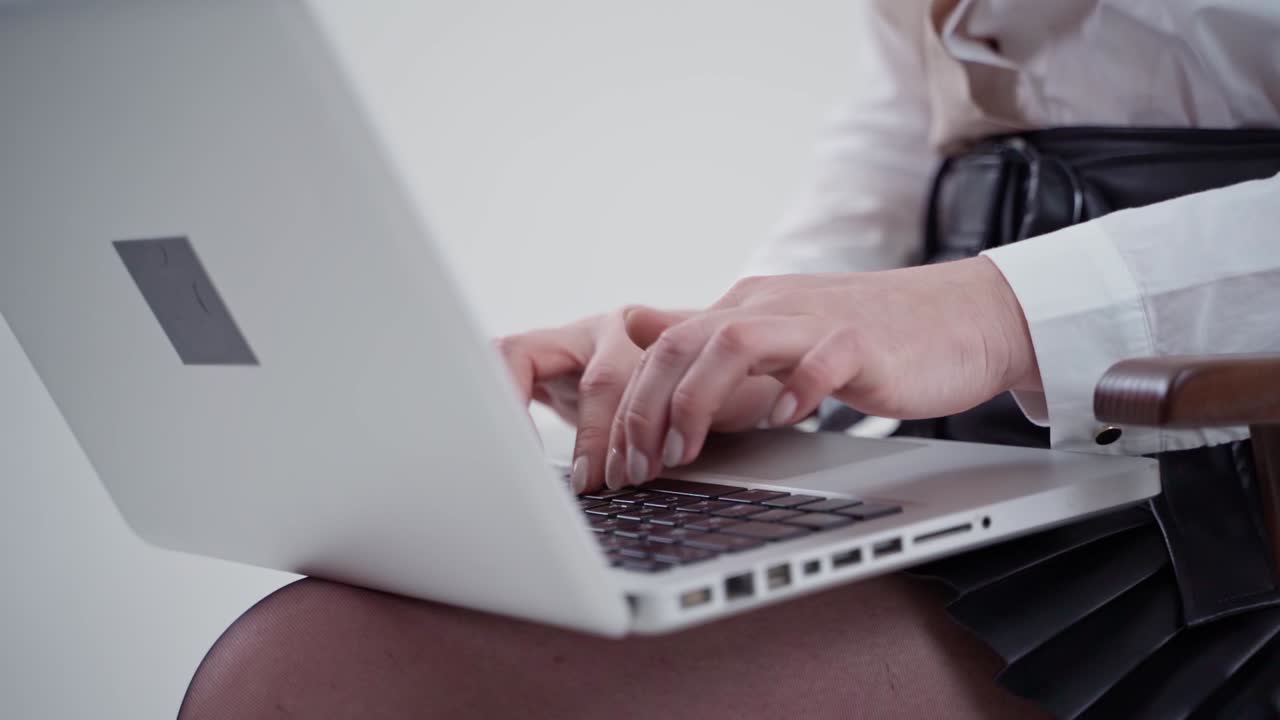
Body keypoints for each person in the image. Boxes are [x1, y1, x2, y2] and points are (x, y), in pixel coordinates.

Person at [179, 1, 1280, 718]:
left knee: (318, 681)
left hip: (1235, 482)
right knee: (323, 657)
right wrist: (742, 346)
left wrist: (993, 313)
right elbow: (908, 127)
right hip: (997, 448)